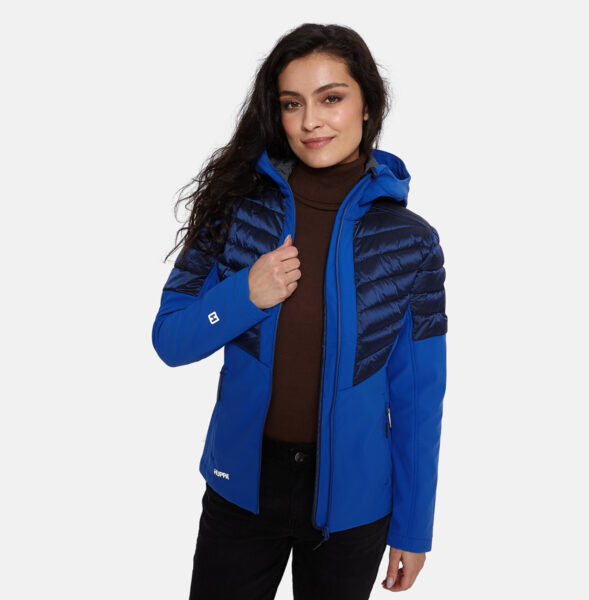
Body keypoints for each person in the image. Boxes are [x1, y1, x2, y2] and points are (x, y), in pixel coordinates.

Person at [151, 22, 447, 600]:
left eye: (331, 98)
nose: (311, 121)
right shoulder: (235, 210)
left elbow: (419, 399)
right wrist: (244, 294)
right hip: (242, 487)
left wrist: (414, 527)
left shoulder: (411, 242)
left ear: (367, 105)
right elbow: (171, 339)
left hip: (355, 506)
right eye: (292, 104)